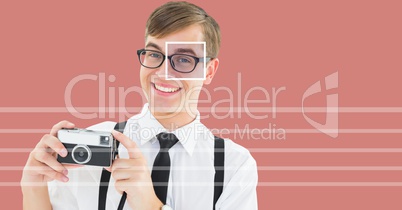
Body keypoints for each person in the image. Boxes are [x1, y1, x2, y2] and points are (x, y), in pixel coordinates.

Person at [21, 1, 258, 210]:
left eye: (183, 60)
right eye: (154, 55)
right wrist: (33, 189)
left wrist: (150, 205)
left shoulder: (233, 165)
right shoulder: (93, 144)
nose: (164, 73)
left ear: (209, 70)